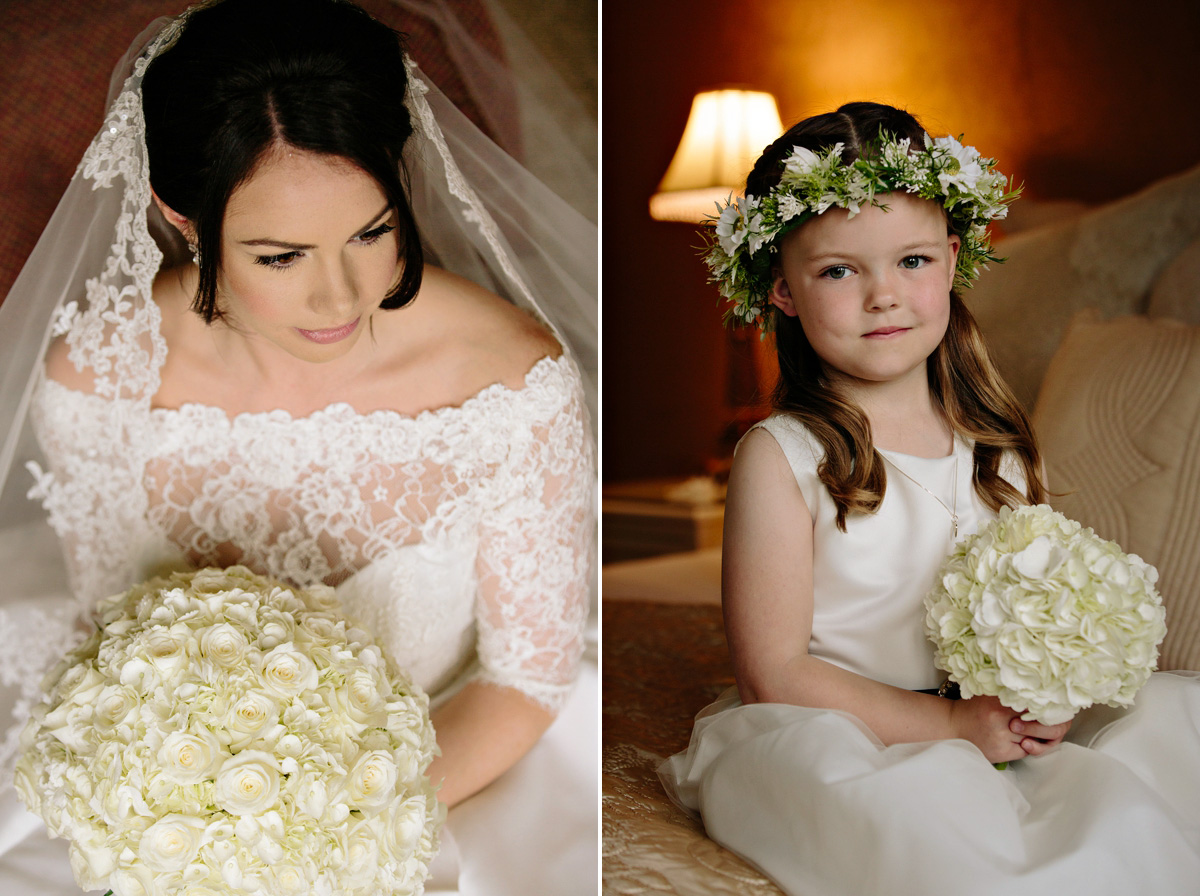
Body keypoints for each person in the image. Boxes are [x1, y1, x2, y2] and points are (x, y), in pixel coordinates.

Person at [0, 1, 597, 894]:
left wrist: (326, 835)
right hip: (186, 800)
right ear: (183, 218)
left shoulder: (509, 385)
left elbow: (526, 675)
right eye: (280, 256)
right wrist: (200, 822)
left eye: (372, 232)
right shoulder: (98, 375)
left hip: (444, 770)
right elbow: (115, 630)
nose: (341, 296)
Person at [659, 102, 1200, 895]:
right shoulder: (782, 457)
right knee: (934, 834)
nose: (883, 295)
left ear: (951, 260)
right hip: (848, 729)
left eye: (910, 261)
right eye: (839, 270)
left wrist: (1044, 698)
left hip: (985, 718)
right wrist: (949, 726)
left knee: (1166, 729)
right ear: (781, 290)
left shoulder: (1001, 444)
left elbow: (1039, 605)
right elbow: (773, 671)